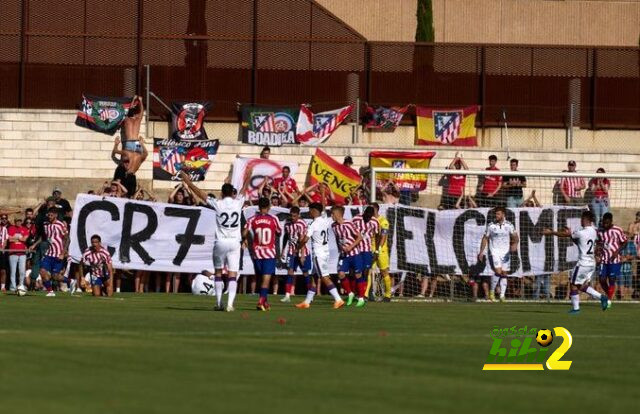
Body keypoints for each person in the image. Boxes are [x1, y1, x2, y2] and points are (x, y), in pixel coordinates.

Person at [180, 171, 246, 311]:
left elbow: (200, 194)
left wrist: (188, 182)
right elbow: (245, 189)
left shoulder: (218, 203)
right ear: (232, 193)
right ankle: (230, 304)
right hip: (235, 242)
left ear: (222, 193)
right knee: (232, 274)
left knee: (218, 272)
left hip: (221, 242)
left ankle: (218, 303)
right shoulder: (238, 202)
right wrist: (249, 175)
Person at [543, 211, 608, 313]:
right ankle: (601, 297)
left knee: (573, 284)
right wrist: (570, 234)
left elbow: (564, 234)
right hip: (591, 263)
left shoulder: (581, 232)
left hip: (583, 263)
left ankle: (576, 309)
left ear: (585, 219)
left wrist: (551, 232)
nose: (581, 221)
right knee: (580, 285)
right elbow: (581, 242)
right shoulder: (594, 231)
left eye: (582, 219)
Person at [296, 202, 344, 309]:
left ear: (313, 211)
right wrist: (322, 193)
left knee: (324, 277)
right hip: (325, 253)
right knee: (314, 277)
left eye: (310, 210)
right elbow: (323, 209)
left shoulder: (313, 224)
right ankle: (307, 302)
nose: (309, 212)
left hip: (319, 254)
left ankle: (338, 299)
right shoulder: (324, 219)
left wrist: (298, 248)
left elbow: (305, 240)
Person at [243, 197, 281, 311]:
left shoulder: (252, 219)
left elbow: (244, 232)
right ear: (269, 207)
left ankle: (265, 302)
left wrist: (244, 240)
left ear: (258, 207)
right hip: (269, 253)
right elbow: (279, 232)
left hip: (257, 253)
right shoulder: (274, 219)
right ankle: (260, 301)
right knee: (266, 280)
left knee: (261, 278)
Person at [477, 207, 519, 302]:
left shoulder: (509, 225)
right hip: (495, 252)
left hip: (505, 253)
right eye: (496, 214)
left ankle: (502, 296)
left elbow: (516, 237)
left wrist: (515, 244)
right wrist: (481, 252)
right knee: (498, 272)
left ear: (503, 215)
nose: (497, 216)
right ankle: (492, 292)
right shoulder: (491, 226)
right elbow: (485, 238)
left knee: (504, 273)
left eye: (498, 214)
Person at [331, 205, 365, 307]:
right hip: (343, 255)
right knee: (341, 274)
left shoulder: (349, 224)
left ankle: (361, 298)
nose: (331, 216)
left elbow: (359, 237)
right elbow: (338, 239)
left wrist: (350, 246)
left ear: (338, 214)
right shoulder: (334, 226)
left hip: (354, 254)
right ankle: (350, 293)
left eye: (332, 214)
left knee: (358, 275)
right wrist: (339, 249)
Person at [34, 208, 70, 297]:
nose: (49, 217)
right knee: (42, 272)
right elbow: (45, 237)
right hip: (49, 254)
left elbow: (67, 239)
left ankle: (70, 281)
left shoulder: (60, 225)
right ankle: (50, 291)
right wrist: (34, 245)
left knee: (55, 276)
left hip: (58, 254)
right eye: (48, 215)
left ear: (56, 215)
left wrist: (63, 253)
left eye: (51, 215)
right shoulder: (46, 224)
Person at [597, 212, 628, 309]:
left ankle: (609, 300)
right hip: (603, 259)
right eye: (603, 223)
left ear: (611, 221)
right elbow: (598, 242)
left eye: (607, 223)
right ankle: (609, 295)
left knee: (611, 279)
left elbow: (624, 242)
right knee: (601, 279)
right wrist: (597, 252)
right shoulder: (600, 231)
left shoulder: (617, 230)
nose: (605, 225)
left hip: (614, 260)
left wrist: (617, 252)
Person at [280, 207, 311, 304]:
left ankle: (310, 295)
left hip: (302, 251)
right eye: (291, 215)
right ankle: (287, 295)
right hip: (291, 251)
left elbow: (302, 240)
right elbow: (286, 237)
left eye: (294, 216)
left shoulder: (302, 224)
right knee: (290, 272)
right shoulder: (288, 224)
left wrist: (301, 255)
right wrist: (283, 250)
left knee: (305, 273)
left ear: (298, 215)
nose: (292, 217)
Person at [352, 206, 379, 301]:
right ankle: (355, 293)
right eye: (366, 216)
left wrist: (377, 250)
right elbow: (350, 231)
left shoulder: (375, 222)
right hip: (356, 249)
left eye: (369, 216)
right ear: (364, 213)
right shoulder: (356, 219)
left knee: (366, 272)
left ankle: (363, 294)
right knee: (355, 272)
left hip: (367, 250)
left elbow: (377, 236)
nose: (367, 218)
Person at [371, 203, 392, 302]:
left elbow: (383, 237)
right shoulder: (368, 220)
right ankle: (366, 295)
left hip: (381, 250)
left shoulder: (383, 221)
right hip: (370, 249)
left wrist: (378, 249)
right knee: (368, 271)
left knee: (384, 272)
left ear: (376, 210)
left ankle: (388, 295)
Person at [7, 217, 29, 292]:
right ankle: (13, 287)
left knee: (22, 271)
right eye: (17, 221)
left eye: (20, 221)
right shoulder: (10, 228)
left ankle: (21, 286)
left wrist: (15, 238)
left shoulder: (24, 229)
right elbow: (9, 239)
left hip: (22, 253)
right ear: (14, 221)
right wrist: (20, 238)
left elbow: (25, 239)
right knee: (13, 271)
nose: (18, 222)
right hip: (13, 252)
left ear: (21, 221)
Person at [618, 235, 637, 300]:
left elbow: (634, 255)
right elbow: (617, 254)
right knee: (621, 282)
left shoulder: (632, 245)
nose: (626, 238)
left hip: (629, 268)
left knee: (628, 283)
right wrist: (621, 258)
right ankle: (622, 297)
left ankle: (626, 297)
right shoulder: (619, 244)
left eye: (627, 237)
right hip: (620, 268)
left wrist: (627, 258)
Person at [0, 215, 8, 292]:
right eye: (2, 218)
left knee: (3, 270)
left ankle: (3, 287)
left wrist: (3, 248)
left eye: (5, 219)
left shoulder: (4, 229)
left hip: (1, 252)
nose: (3, 220)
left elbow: (5, 240)